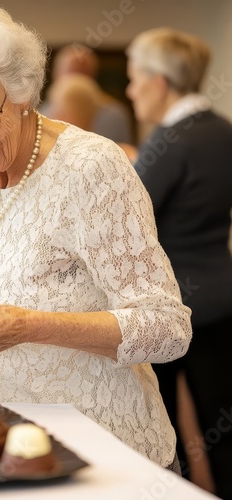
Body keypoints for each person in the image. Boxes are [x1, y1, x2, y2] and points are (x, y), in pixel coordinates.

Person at [0, 1, 191, 471]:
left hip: (102, 451)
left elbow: (168, 329)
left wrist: (29, 327)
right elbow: (17, 272)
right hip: (0, 443)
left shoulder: (91, 169)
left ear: (20, 92)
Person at [126, 28, 232, 497]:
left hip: (173, 307)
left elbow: (123, 220)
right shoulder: (222, 131)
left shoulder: (170, 141)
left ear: (159, 81)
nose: (130, 91)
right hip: (223, 296)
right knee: (221, 426)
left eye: (133, 79)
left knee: (162, 429)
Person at [48, 43, 133, 143]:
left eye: (82, 73)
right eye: (72, 72)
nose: (77, 80)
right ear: (57, 74)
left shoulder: (115, 115)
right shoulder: (41, 113)